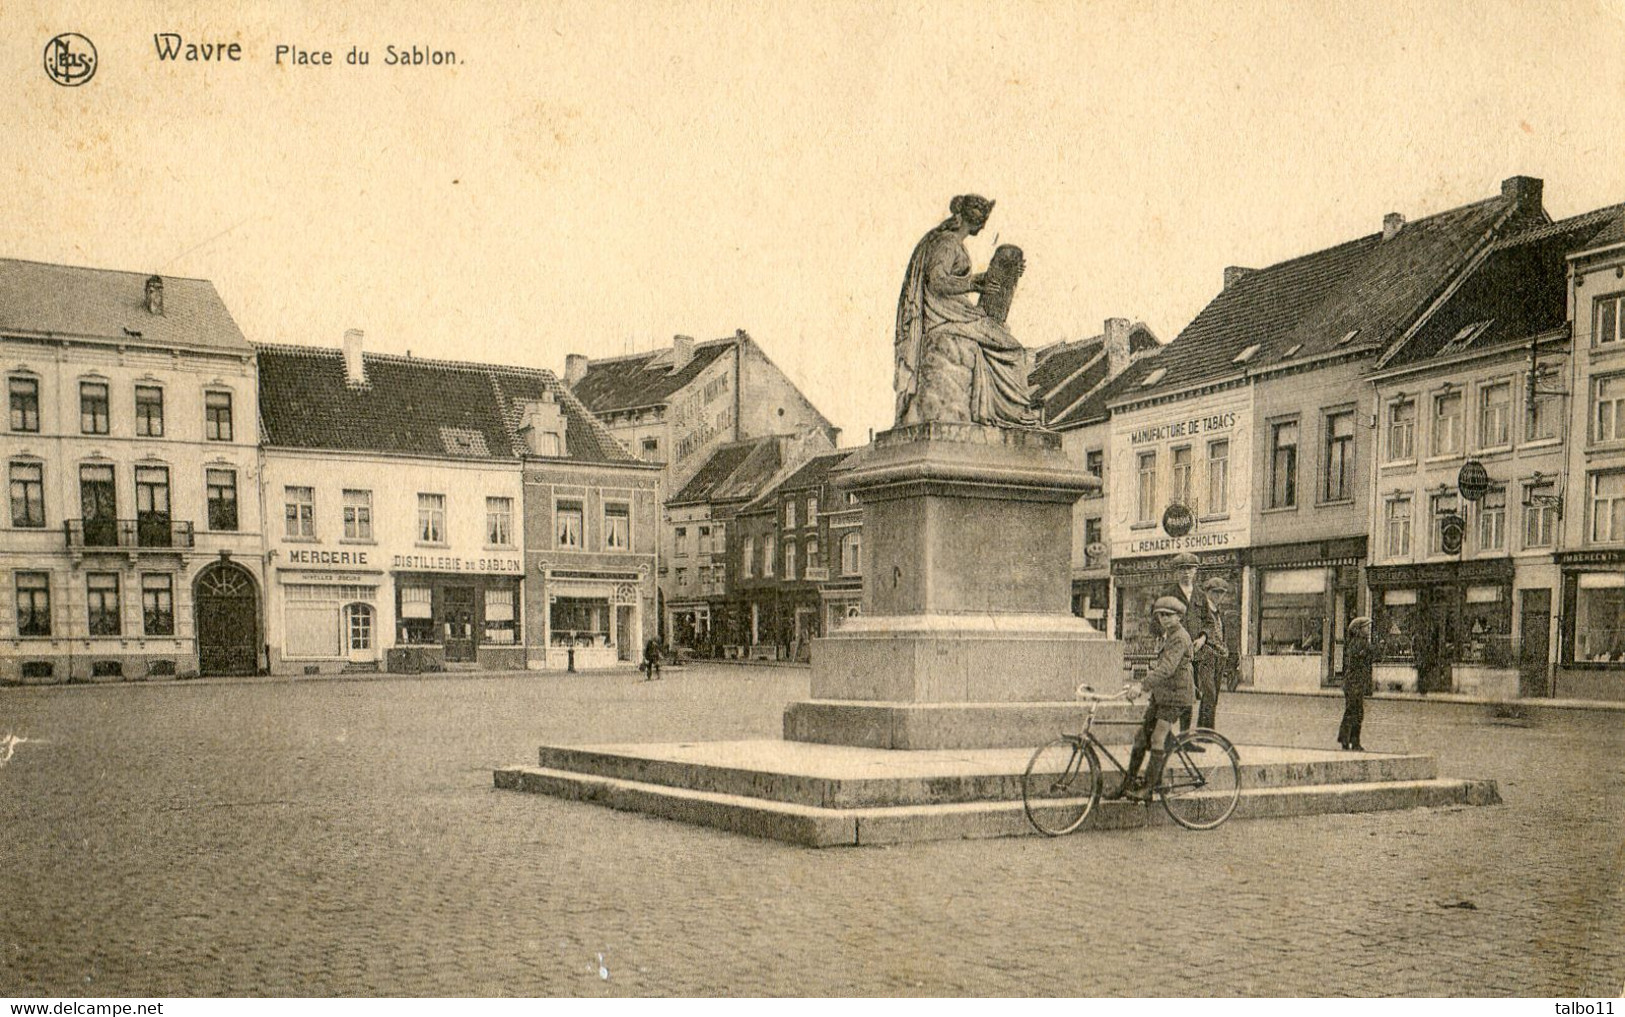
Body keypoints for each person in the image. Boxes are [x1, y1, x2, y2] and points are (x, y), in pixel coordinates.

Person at [893, 194, 1040, 428]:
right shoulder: (948, 243)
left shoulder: (951, 243)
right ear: (976, 220)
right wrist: (972, 283)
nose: (983, 227)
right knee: (1013, 349)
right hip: (948, 316)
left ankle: (1008, 410)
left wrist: (1008, 273)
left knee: (1007, 259)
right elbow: (936, 281)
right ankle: (1014, 412)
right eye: (982, 220)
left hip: (958, 313)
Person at [1108, 596, 1197, 802]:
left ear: (1179, 617)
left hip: (1176, 696)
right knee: (1141, 738)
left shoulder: (1180, 637)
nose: (1164, 619)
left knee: (1157, 738)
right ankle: (1127, 784)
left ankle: (1148, 789)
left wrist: (1142, 685)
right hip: (1162, 696)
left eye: (1168, 615)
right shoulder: (1170, 636)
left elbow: (1167, 668)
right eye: (1160, 616)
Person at [1193, 577, 1230, 731]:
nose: (1218, 596)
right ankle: (1206, 730)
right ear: (1207, 592)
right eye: (1215, 592)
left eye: (1221, 593)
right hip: (1206, 655)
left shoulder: (1218, 612)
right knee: (1209, 693)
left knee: (1213, 696)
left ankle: (1205, 729)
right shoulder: (1202, 609)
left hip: (1219, 656)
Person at [1338, 617, 1373, 750]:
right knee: (1354, 712)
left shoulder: (1359, 643)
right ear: (1359, 630)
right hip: (1354, 683)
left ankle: (1350, 740)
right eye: (1366, 627)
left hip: (1356, 682)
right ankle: (1350, 740)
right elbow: (1359, 663)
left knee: (1356, 712)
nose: (1368, 630)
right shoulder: (1358, 644)